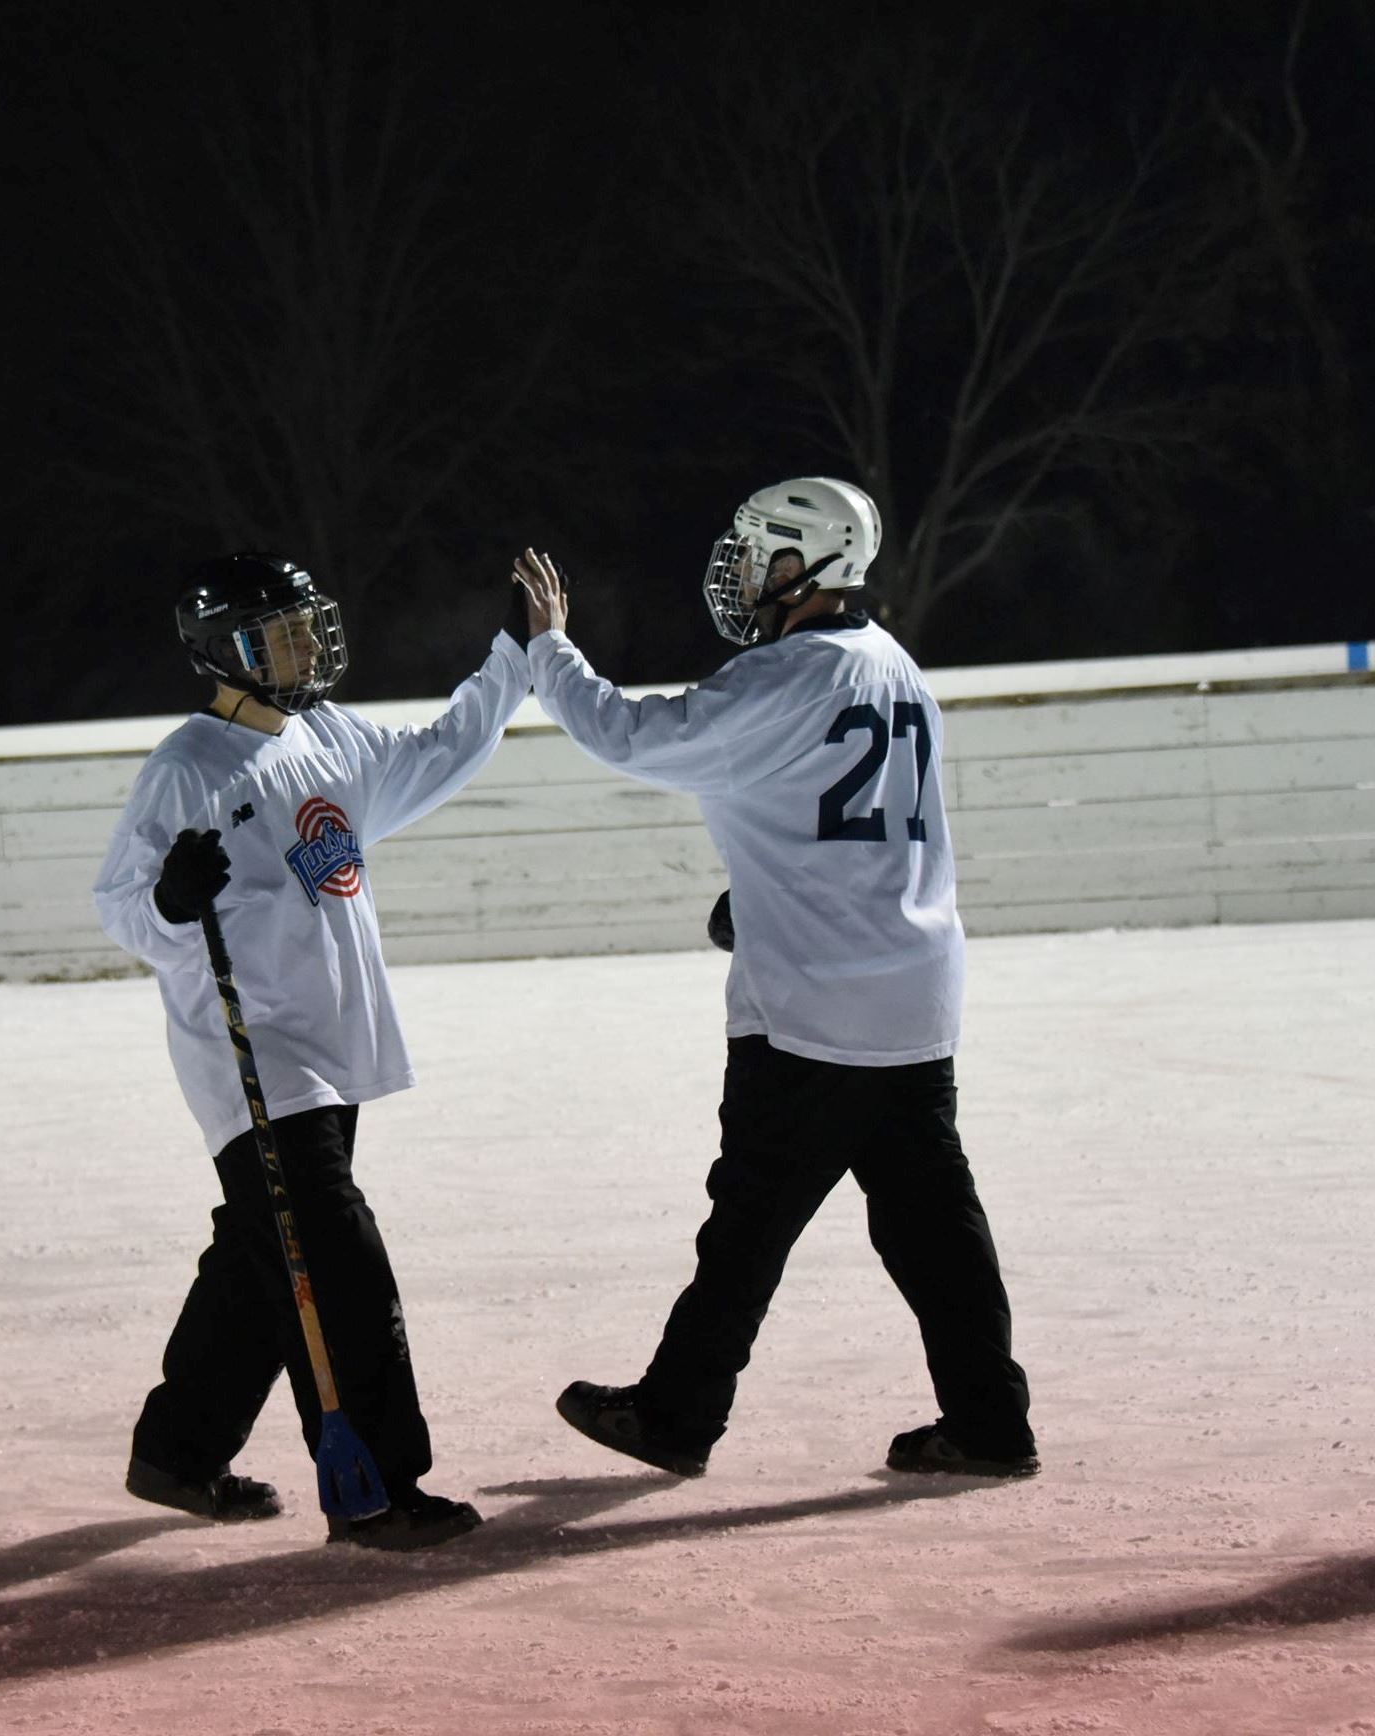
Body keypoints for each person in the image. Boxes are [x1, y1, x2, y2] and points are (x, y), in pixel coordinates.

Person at [513, 477, 1038, 1480]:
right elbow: (853, 831)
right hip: (912, 995)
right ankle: (990, 1421)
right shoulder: (894, 665)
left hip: (812, 1012)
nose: (748, 568)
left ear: (814, 560)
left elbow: (631, 735)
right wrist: (757, 900)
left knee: (748, 1223)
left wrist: (550, 649)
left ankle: (676, 1414)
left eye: (765, 551)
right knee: (935, 1228)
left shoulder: (781, 676)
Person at [94, 553, 532, 1549]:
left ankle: (177, 1449)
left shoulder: (331, 735)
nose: (303, 647)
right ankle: (378, 1488)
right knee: (337, 1261)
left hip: (329, 1047)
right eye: (278, 634)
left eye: (304, 627)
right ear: (225, 652)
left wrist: (516, 654)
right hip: (253, 1057)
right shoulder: (188, 767)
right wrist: (170, 900)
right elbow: (122, 905)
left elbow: (441, 747)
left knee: (265, 1254)